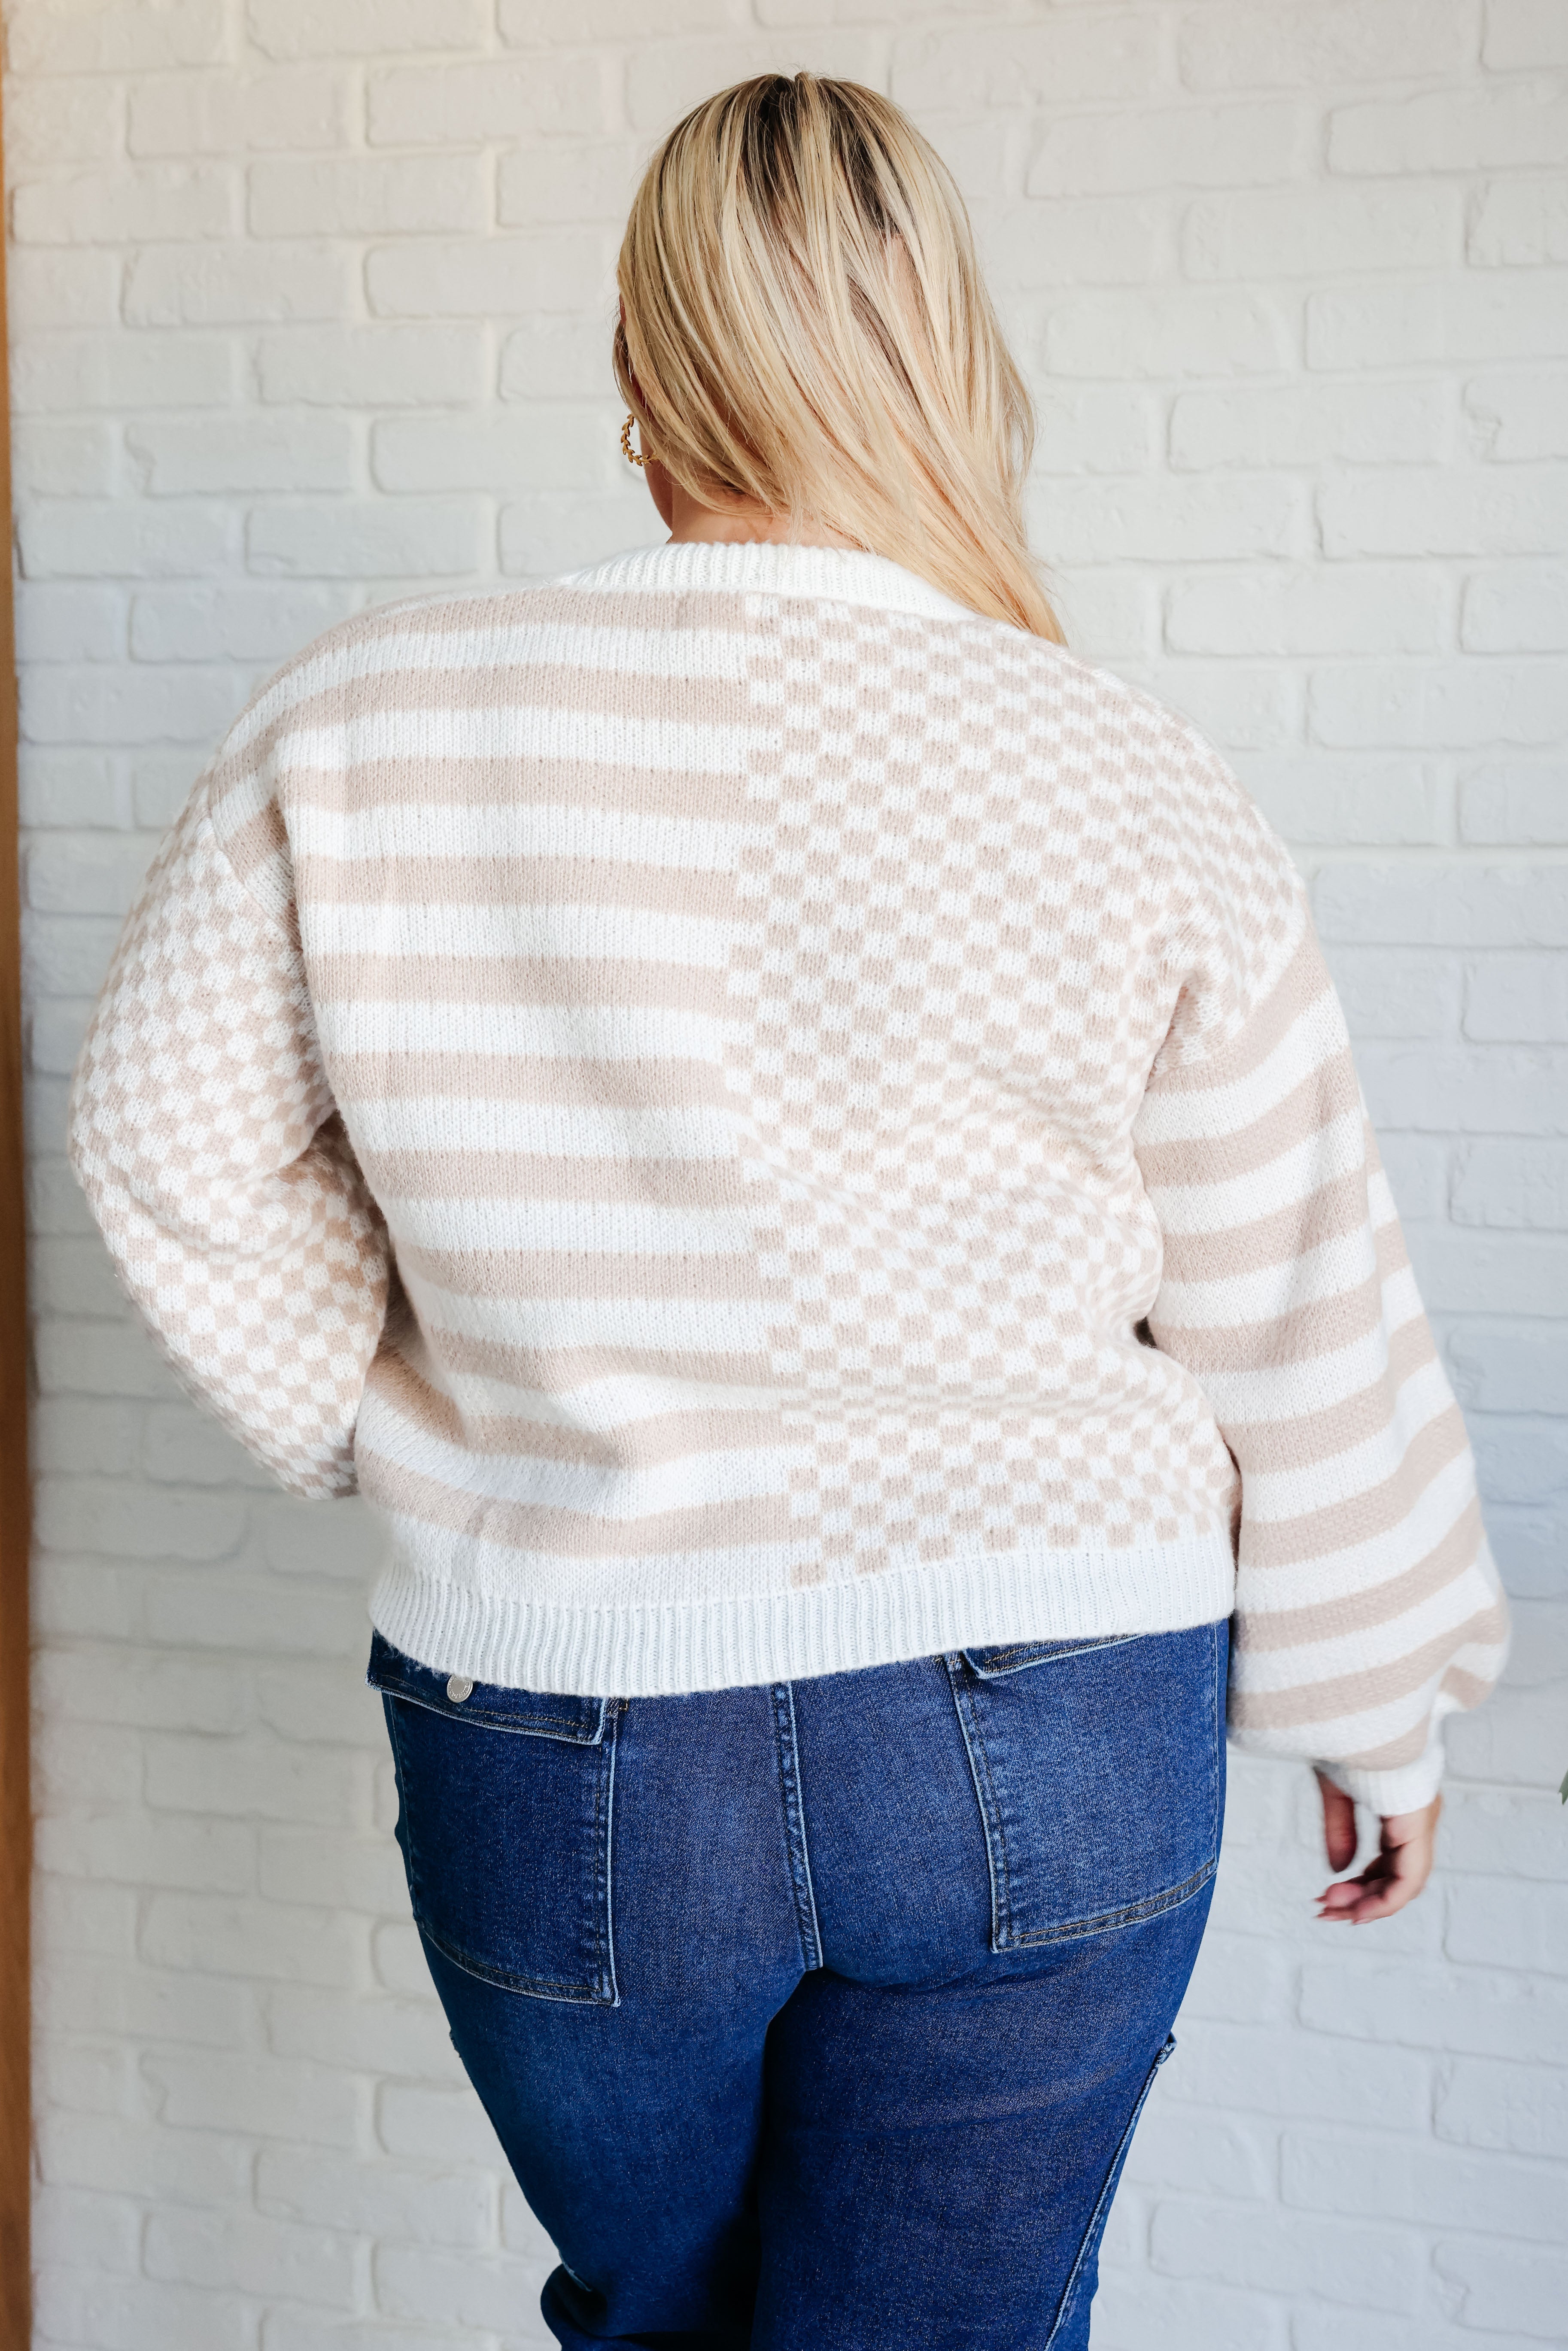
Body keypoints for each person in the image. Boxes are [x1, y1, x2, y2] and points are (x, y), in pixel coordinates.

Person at [67, 71, 1507, 2351]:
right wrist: (1381, 1709)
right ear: (942, 363)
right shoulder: (1121, 764)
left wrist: (402, 1418)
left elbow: (166, 1140)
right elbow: (1292, 1285)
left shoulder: (360, 717)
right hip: (1054, 1705)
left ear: (639, 366)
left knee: (665, 2326)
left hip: (571, 1729)